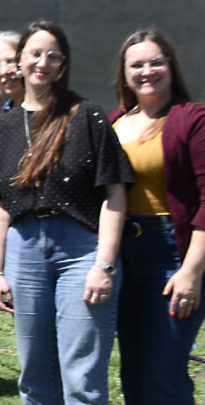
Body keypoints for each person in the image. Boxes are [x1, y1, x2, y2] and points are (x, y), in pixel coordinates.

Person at [0, 20, 131, 404]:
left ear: (63, 66)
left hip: (82, 251)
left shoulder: (87, 116)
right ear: (20, 61)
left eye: (53, 56)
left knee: (82, 377)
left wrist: (105, 264)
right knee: (35, 376)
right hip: (24, 252)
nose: (42, 62)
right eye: (35, 53)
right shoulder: (7, 126)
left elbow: (114, 192)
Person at [108, 29, 205, 404]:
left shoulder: (192, 119)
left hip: (173, 253)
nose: (147, 71)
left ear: (170, 66)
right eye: (137, 64)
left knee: (163, 369)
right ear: (124, 72)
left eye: (156, 62)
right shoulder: (115, 121)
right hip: (126, 258)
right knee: (132, 367)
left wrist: (192, 271)